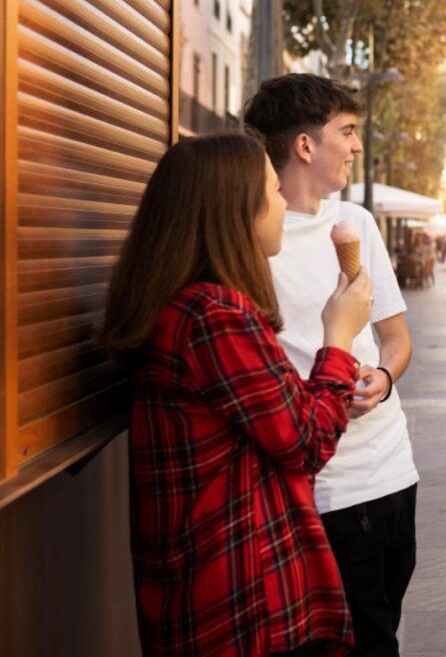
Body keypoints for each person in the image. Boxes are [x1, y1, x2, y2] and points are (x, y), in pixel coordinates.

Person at [102, 133, 373, 656]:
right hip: (243, 600)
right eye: (272, 191)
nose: (281, 204)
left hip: (202, 592)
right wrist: (338, 338)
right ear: (235, 210)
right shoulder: (214, 315)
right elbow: (307, 439)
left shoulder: (183, 306)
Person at [244, 74, 419, 657]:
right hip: (324, 487)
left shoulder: (358, 223)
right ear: (304, 146)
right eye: (346, 132)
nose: (356, 146)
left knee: (385, 624)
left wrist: (385, 377)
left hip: (394, 469)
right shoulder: (249, 242)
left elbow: (395, 337)